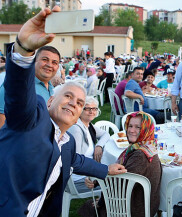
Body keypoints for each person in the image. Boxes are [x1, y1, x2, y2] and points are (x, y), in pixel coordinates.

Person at [0, 7, 126, 216]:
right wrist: (23, 50)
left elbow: (76, 160)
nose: (73, 104)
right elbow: (18, 93)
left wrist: (106, 170)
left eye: (79, 103)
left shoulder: (67, 142)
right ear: (50, 100)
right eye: (67, 96)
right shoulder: (32, 119)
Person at [79, 112, 162, 217]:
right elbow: (121, 175)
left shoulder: (140, 155)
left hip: (133, 210)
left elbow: (118, 186)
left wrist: (101, 202)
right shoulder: (146, 146)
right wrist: (96, 181)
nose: (131, 130)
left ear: (146, 129)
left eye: (138, 127)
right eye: (130, 126)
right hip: (141, 204)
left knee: (88, 207)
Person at [0, 45, 60, 128]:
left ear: (58, 67)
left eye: (54, 62)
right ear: (34, 61)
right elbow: (2, 119)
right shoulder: (17, 85)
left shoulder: (55, 90)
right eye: (45, 60)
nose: (49, 65)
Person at [67, 97, 109, 190]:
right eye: (87, 109)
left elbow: (106, 134)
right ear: (80, 110)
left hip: (87, 169)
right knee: (113, 183)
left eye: (94, 109)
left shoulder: (88, 125)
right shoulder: (77, 129)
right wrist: (89, 176)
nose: (91, 111)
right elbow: (75, 161)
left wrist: (99, 145)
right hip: (78, 178)